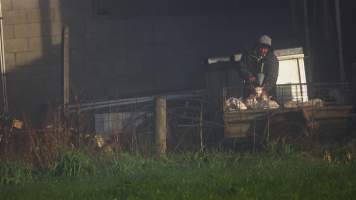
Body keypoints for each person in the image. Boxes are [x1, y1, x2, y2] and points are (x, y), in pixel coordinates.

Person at [238, 35, 279, 99]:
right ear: (257, 46)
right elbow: (241, 68)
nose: (263, 50)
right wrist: (249, 76)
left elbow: (272, 76)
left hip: (268, 93)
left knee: (268, 107)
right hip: (250, 90)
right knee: (249, 106)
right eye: (261, 47)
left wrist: (265, 89)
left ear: (269, 49)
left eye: (266, 48)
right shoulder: (248, 56)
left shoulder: (272, 59)